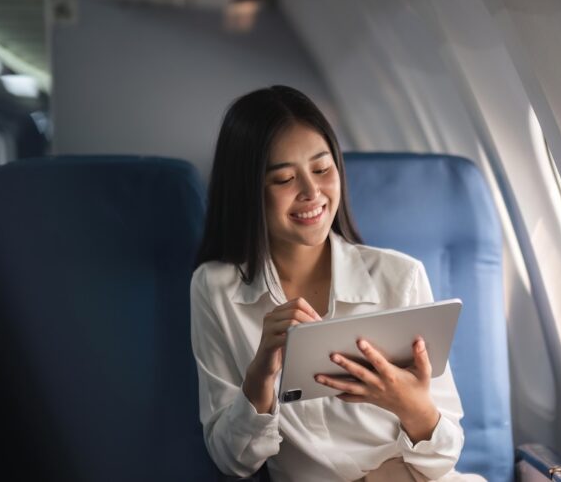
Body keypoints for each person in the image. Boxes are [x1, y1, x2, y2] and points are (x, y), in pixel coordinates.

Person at [191, 85, 480, 482]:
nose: (312, 193)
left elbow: (446, 454)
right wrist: (260, 377)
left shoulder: (401, 277)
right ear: (248, 190)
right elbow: (233, 461)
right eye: (284, 179)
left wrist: (410, 406)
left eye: (323, 169)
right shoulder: (216, 288)